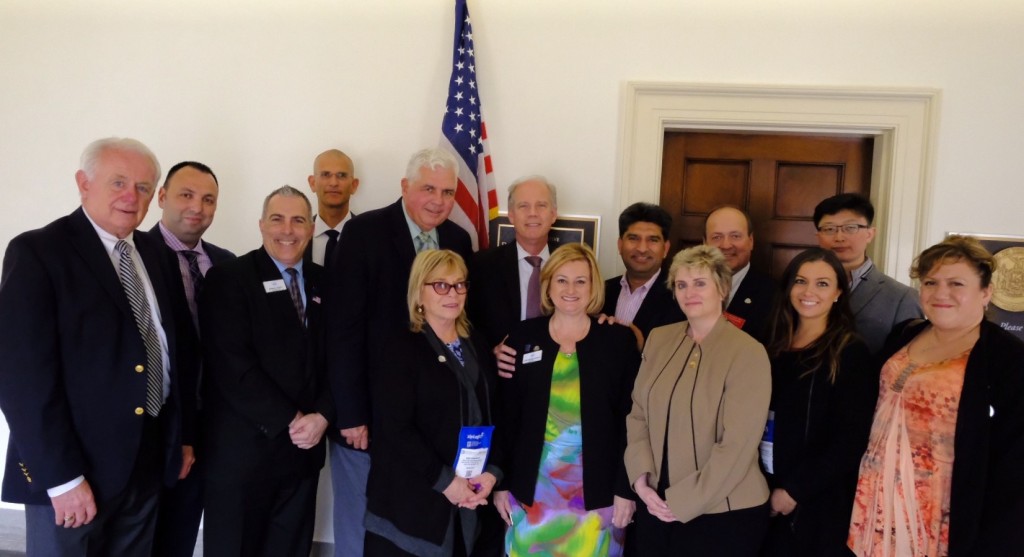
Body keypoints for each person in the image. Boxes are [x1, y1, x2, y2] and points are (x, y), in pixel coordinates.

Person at [0, 138, 193, 556]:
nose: (131, 196)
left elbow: (173, 350)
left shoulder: (155, 255)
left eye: (143, 187)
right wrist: (62, 479)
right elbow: (21, 378)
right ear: (83, 183)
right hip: (74, 474)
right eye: (118, 182)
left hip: (147, 461)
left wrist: (181, 436)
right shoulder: (38, 252)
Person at [325, 148, 473, 555]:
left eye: (447, 192)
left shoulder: (458, 240)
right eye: (428, 188)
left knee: (416, 525)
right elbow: (343, 329)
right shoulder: (364, 233)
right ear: (405, 186)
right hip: (370, 413)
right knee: (366, 522)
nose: (438, 200)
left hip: (430, 421)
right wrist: (351, 413)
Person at [848, 236, 1024, 556]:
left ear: (986, 293)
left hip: (940, 515)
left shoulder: (1007, 359)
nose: (941, 293)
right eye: (930, 282)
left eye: (956, 283)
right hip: (874, 499)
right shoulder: (906, 332)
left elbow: (1013, 465)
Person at [199, 186, 332, 556]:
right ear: (261, 225)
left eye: (298, 220)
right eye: (277, 219)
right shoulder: (229, 279)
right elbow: (232, 367)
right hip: (243, 457)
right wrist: (292, 419)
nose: (287, 230)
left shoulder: (327, 282)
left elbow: (341, 359)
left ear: (312, 226)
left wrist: (323, 415)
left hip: (304, 455)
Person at [625, 245, 771, 556]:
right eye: (681, 284)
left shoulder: (748, 352)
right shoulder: (659, 338)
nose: (689, 292)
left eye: (700, 282)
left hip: (724, 515)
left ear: (722, 288)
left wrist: (681, 503)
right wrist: (640, 481)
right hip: (655, 503)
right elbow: (638, 415)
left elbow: (737, 446)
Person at [494, 243, 639, 556]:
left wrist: (626, 488)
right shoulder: (522, 337)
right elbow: (507, 418)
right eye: (561, 280)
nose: (570, 289)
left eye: (580, 281)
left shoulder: (618, 341)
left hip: (598, 497)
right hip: (531, 493)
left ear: (593, 286)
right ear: (547, 285)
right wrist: (501, 483)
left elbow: (633, 422)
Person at [364, 249, 500, 556]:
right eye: (441, 285)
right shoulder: (400, 347)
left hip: (472, 495)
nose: (453, 293)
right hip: (411, 504)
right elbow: (395, 430)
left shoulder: (477, 343)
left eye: (459, 284)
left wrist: (490, 474)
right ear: (419, 293)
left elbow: (497, 414)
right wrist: (447, 483)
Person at [759, 248, 875, 557]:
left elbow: (851, 439)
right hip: (762, 491)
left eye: (822, 283)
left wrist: (794, 490)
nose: (809, 291)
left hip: (813, 504)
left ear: (838, 292)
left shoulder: (849, 352)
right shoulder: (771, 343)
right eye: (800, 281)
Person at [148, 160, 235, 557]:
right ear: (162, 197)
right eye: (186, 195)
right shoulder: (134, 256)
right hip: (154, 430)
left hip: (212, 430)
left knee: (182, 534)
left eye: (208, 199)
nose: (197, 207)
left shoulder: (228, 263)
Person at [813, 193, 922, 354]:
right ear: (818, 237)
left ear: (870, 234)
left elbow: (906, 360)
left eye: (850, 228)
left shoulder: (902, 297)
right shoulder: (800, 288)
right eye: (829, 229)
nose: (839, 237)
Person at [468, 175, 558, 351]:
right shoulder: (481, 266)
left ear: (553, 214)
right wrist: (491, 353)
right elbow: (468, 326)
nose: (533, 213)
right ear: (511, 215)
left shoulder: (573, 266)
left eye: (541, 205)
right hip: (501, 373)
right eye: (523, 206)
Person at [602, 202, 685, 342]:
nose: (642, 248)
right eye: (633, 238)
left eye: (653, 240)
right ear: (620, 245)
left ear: (665, 248)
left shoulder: (681, 297)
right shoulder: (600, 291)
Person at [704, 206, 775, 339]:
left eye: (735, 236)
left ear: (751, 241)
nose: (726, 245)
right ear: (704, 243)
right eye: (716, 237)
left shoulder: (773, 294)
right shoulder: (684, 287)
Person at [305, 149, 360, 268]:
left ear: (354, 185)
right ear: (312, 183)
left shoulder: (370, 237)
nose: (334, 183)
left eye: (342, 175)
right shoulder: (297, 236)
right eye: (325, 175)